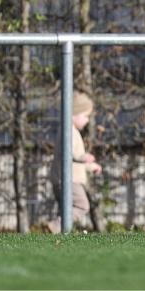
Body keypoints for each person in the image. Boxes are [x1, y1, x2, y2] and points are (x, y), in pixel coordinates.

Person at [47, 91, 102, 232]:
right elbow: (70, 153)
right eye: (85, 116)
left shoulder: (71, 131)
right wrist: (84, 158)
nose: (87, 120)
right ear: (73, 115)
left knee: (65, 210)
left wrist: (90, 166)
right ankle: (56, 226)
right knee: (82, 206)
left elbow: (75, 159)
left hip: (61, 179)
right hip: (69, 181)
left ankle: (58, 237)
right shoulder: (68, 131)